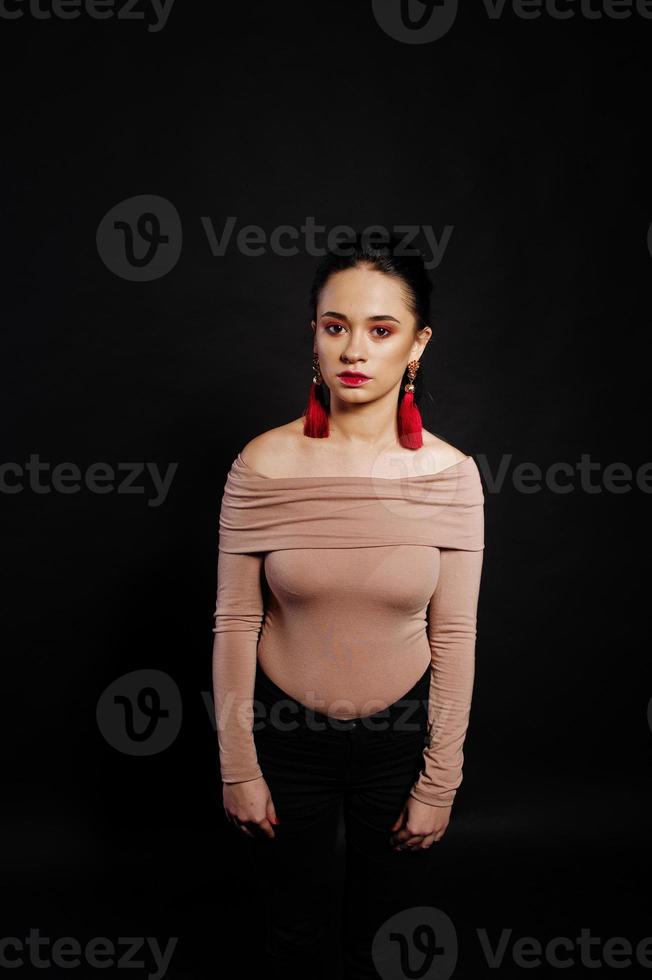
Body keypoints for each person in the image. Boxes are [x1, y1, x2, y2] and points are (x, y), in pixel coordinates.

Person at [211, 233, 485, 979]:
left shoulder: (451, 476)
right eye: (336, 327)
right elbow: (236, 623)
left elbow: (454, 635)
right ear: (315, 336)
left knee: (385, 942)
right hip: (283, 735)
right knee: (289, 940)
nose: (353, 350)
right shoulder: (262, 464)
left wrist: (441, 781)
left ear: (417, 344)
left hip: (400, 738)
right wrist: (239, 766)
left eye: (381, 329)